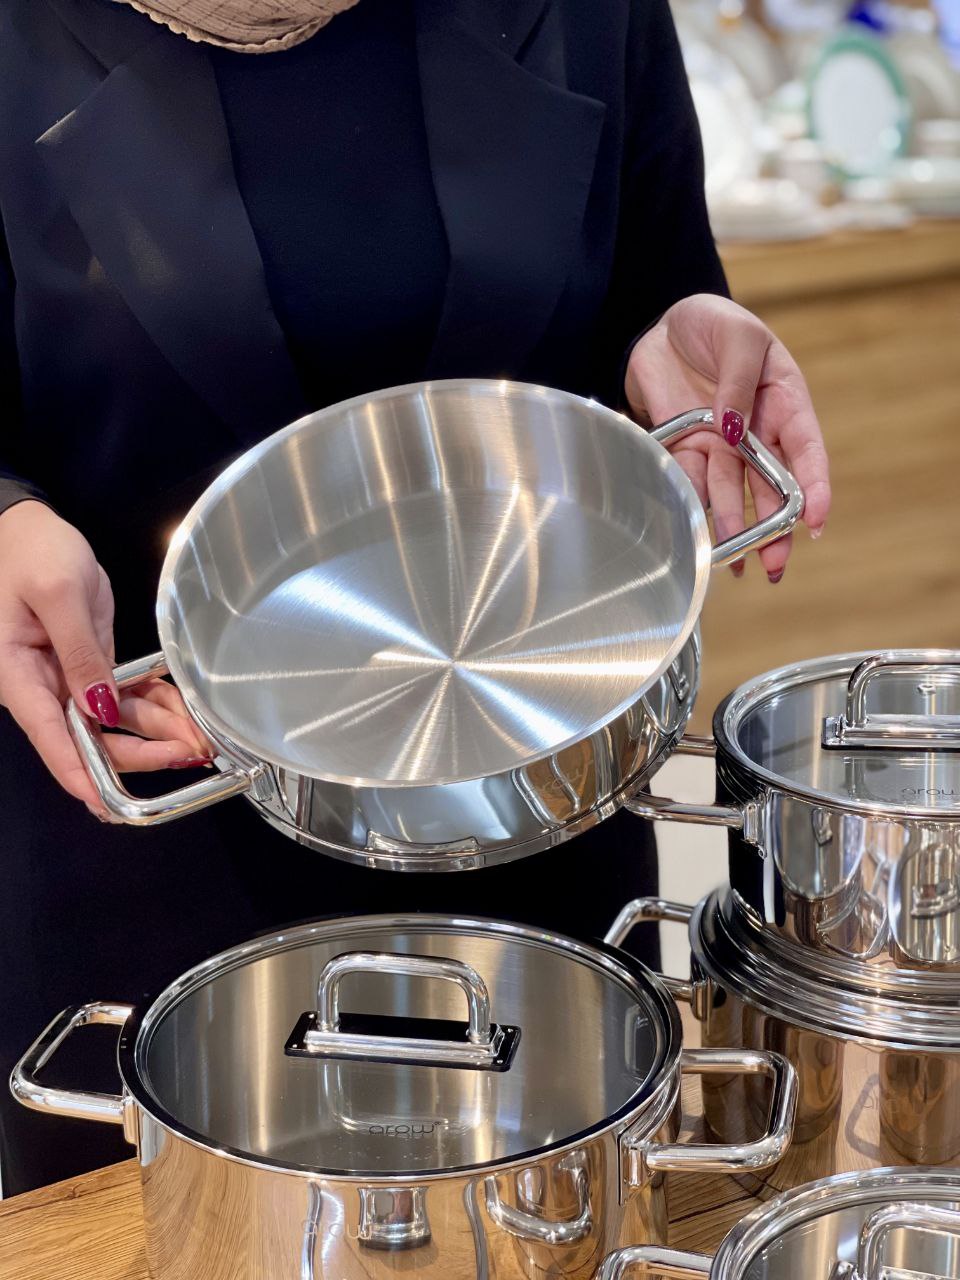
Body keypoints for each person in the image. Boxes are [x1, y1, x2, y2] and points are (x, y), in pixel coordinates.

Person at [0, 0, 830, 1196]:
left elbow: (647, 285)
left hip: (531, 775)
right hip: (161, 801)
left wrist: (675, 346)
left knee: (548, 1226)